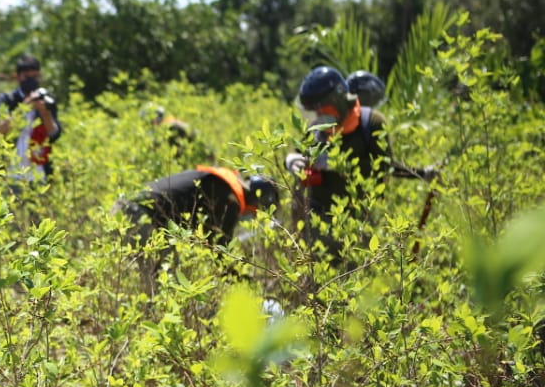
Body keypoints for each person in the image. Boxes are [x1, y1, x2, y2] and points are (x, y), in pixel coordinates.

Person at [286, 65, 436, 260]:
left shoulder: (371, 122)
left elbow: (384, 165)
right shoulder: (318, 128)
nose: (318, 118)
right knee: (318, 282)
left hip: (358, 219)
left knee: (355, 276)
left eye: (322, 111)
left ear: (337, 101)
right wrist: (291, 159)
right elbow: (298, 151)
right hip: (318, 219)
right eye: (314, 113)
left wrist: (337, 163)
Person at [117, 166, 280, 246]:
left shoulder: (219, 183)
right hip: (138, 216)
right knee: (165, 277)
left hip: (121, 209)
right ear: (255, 203)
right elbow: (220, 249)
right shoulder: (229, 201)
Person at [0, 54, 62, 184]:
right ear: (17, 77)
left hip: (39, 175)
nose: (31, 81)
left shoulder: (46, 100)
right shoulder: (7, 100)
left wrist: (45, 112)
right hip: (12, 175)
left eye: (35, 77)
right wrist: (24, 107)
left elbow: (54, 135)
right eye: (27, 77)